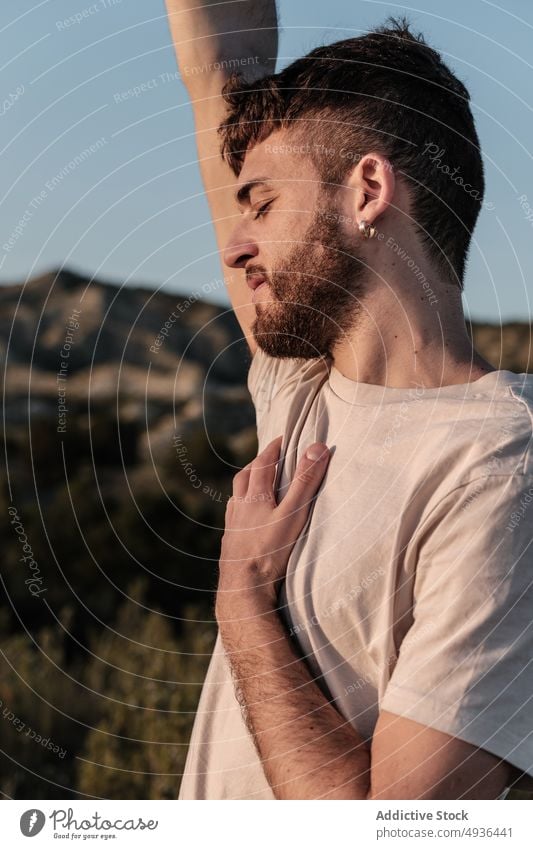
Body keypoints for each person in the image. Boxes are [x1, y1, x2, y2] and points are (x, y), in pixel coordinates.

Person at [165, 0, 533, 799]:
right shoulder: (300, 388)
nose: (233, 241)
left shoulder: (499, 469)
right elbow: (218, 75)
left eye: (260, 202)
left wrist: (243, 606)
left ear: (366, 189)